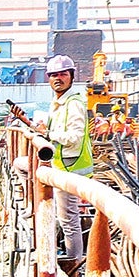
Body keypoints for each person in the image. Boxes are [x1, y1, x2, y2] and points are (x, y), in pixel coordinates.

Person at [39, 54, 93, 264]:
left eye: (62, 74)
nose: (58, 78)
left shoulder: (73, 103)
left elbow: (74, 138)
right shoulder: (59, 102)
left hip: (72, 168)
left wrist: (49, 134)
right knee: (65, 216)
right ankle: (71, 257)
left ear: (71, 76)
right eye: (53, 75)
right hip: (62, 166)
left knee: (69, 219)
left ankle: (74, 262)